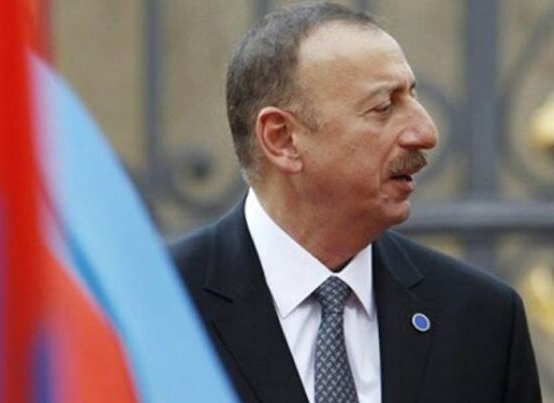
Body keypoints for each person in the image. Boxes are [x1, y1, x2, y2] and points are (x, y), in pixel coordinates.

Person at [170, 2, 542, 402]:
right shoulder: (160, 306)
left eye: (412, 96)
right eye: (384, 108)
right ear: (282, 139)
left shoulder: (480, 319)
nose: (426, 132)